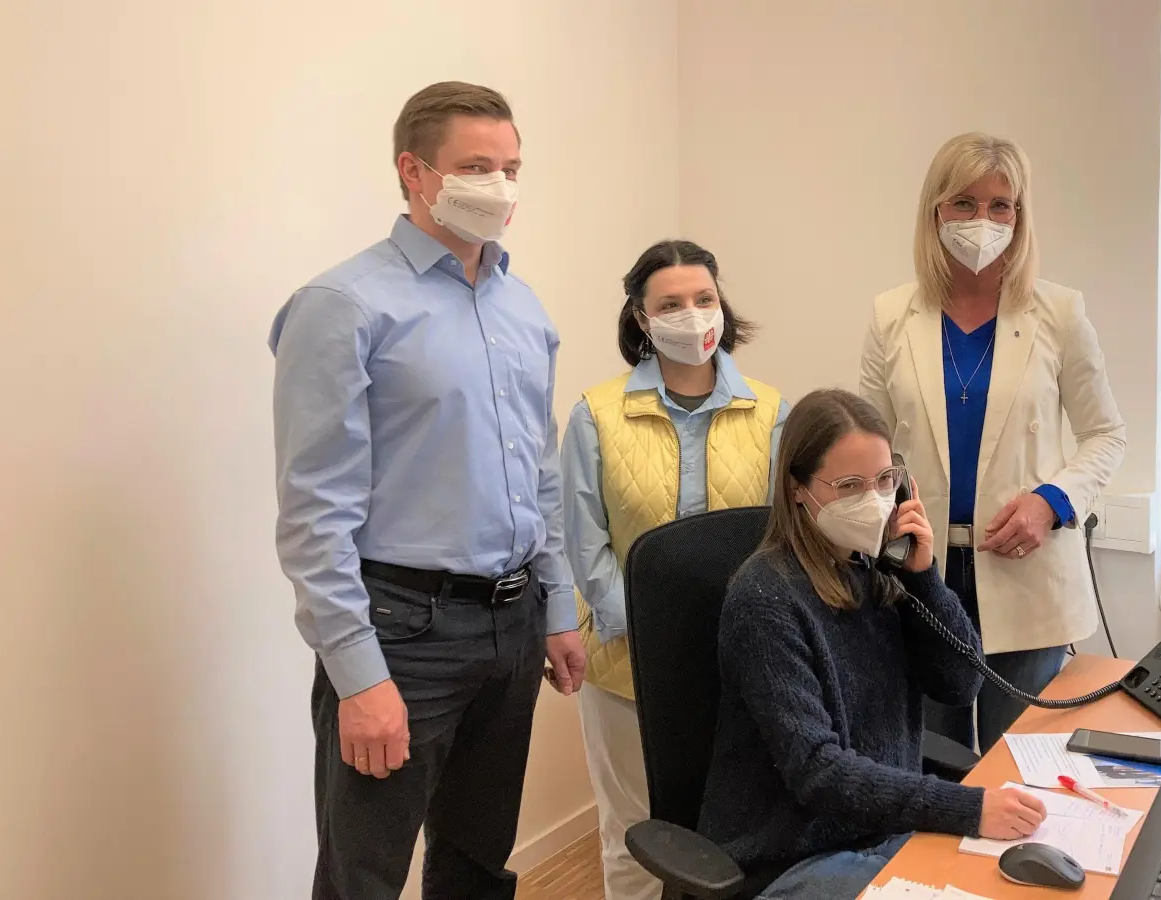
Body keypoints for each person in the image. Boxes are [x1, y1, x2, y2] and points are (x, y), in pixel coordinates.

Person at [270, 81, 587, 900]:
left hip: (513, 628)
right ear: (414, 172)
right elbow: (314, 517)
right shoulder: (343, 306)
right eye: (476, 166)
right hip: (403, 635)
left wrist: (555, 609)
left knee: (478, 862)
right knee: (363, 875)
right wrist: (358, 676)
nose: (502, 188)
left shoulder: (523, 310)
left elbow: (540, 476)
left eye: (512, 167)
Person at [697, 388, 1049, 900]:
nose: (875, 498)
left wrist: (924, 577)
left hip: (881, 833)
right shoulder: (765, 597)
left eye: (886, 480)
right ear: (798, 489)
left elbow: (960, 683)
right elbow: (818, 773)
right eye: (849, 485)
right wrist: (966, 808)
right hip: (791, 856)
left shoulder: (880, 571)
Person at [860, 132, 1126, 755]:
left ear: (1020, 216)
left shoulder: (1059, 314)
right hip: (922, 575)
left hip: (1024, 568)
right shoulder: (891, 316)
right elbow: (867, 449)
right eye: (964, 203)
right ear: (935, 212)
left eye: (1000, 205)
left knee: (1025, 763)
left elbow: (1105, 434)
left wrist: (1052, 501)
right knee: (931, 764)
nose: (982, 220)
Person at [559, 239, 788, 900]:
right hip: (625, 658)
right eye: (671, 304)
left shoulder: (771, 412)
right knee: (634, 833)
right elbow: (582, 539)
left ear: (722, 304)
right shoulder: (595, 414)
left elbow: (780, 538)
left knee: (729, 830)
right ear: (641, 316)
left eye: (704, 298)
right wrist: (647, 629)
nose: (692, 315)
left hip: (738, 659)